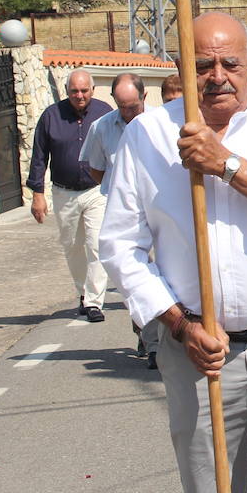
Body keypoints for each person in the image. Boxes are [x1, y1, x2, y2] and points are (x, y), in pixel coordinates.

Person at [99, 12, 247, 493]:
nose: (217, 76)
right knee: (213, 492)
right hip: (199, 354)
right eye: (203, 64)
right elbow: (121, 246)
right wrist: (182, 326)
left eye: (230, 63)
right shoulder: (146, 136)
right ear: (183, 70)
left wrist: (226, 165)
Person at [79, 73, 156, 365]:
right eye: (122, 107)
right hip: (123, 214)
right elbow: (97, 169)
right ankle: (151, 339)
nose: (128, 113)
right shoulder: (101, 128)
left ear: (144, 98)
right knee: (135, 277)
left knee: (164, 273)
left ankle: (157, 342)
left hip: (159, 209)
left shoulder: (160, 123)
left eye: (133, 106)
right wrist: (117, 188)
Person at [27, 70, 114, 323]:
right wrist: (37, 194)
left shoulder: (105, 113)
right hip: (64, 192)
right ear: (67, 91)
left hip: (96, 190)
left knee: (97, 244)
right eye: (74, 91)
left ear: (93, 89)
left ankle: (95, 302)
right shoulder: (51, 117)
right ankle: (83, 293)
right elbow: (39, 156)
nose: (79, 96)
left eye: (84, 90)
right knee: (73, 247)